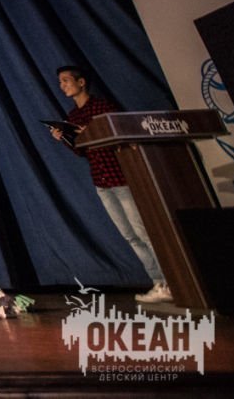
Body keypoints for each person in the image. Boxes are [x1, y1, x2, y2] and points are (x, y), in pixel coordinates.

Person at [50, 65, 171, 303]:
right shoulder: (72, 116)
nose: (62, 86)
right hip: (101, 181)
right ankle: (158, 282)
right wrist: (64, 137)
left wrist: (93, 131)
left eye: (66, 80)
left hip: (120, 177)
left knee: (143, 232)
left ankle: (171, 281)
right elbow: (82, 151)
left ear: (81, 82)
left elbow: (120, 136)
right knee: (129, 236)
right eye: (60, 82)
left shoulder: (102, 108)